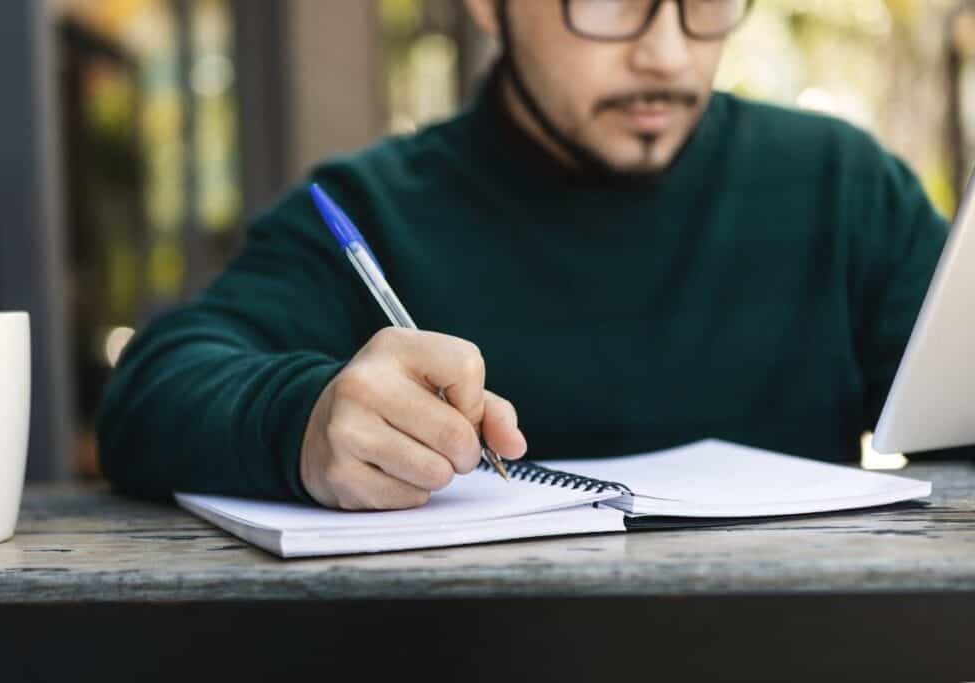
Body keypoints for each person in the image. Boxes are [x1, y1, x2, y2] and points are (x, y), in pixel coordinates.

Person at [97, 0, 963, 510]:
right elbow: (151, 390)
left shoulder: (841, 187)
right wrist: (302, 419)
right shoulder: (373, 210)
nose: (667, 51)